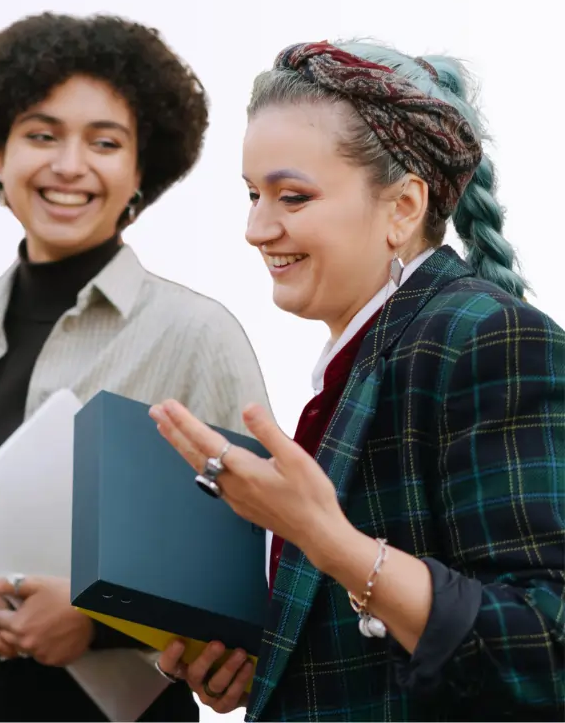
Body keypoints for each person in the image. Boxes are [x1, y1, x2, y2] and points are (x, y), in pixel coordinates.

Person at [0, 12, 271, 722]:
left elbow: (249, 553)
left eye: (104, 142)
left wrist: (95, 619)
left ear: (142, 170)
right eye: (41, 135)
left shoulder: (196, 335)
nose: (69, 165)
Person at [151, 40, 565, 721]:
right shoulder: (367, 358)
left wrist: (328, 540)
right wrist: (269, 659)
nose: (256, 228)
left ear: (403, 207)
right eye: (253, 195)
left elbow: (545, 646)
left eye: (292, 196)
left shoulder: (486, 339)